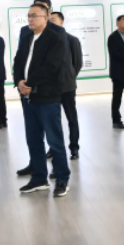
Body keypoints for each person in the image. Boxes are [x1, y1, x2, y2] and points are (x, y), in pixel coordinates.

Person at [14, 4, 70, 197]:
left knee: (54, 141)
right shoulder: (27, 38)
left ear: (46, 18)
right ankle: (39, 179)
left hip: (47, 97)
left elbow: (51, 67)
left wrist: (29, 82)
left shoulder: (55, 38)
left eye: (35, 16)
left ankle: (62, 180)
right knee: (33, 140)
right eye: (29, 15)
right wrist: (19, 82)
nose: (30, 19)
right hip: (28, 98)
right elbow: (17, 62)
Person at [49, 12, 83, 160]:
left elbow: (78, 63)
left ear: (62, 22)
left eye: (53, 20)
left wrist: (69, 77)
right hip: (51, 88)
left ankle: (74, 147)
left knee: (71, 118)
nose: (51, 22)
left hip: (68, 87)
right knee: (52, 121)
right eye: (49, 20)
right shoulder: (47, 41)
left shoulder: (72, 40)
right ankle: (54, 148)